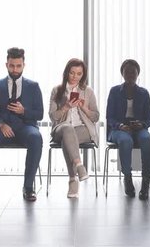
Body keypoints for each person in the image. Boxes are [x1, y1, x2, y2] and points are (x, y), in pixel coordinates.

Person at [0, 47, 43, 202]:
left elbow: (39, 114)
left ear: (24, 65)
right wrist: (0, 124)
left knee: (36, 137)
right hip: (1, 128)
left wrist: (23, 111)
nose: (15, 69)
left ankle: (28, 188)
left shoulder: (33, 87)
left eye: (18, 66)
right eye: (12, 65)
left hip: (25, 128)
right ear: (6, 65)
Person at [49, 58, 100, 198]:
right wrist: (66, 107)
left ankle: (73, 179)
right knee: (67, 129)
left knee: (69, 138)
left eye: (79, 74)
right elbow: (53, 117)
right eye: (72, 73)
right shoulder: (57, 90)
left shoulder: (88, 91)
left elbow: (96, 117)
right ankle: (79, 166)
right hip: (61, 127)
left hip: (83, 129)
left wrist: (83, 108)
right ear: (67, 73)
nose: (75, 77)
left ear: (83, 75)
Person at [106, 59, 150, 200]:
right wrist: (120, 126)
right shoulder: (115, 91)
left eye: (133, 72)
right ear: (122, 74)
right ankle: (128, 178)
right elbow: (110, 117)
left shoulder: (144, 93)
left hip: (138, 127)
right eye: (127, 72)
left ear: (138, 74)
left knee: (146, 140)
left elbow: (149, 118)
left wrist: (142, 125)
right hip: (119, 128)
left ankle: (146, 181)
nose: (130, 74)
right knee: (126, 141)